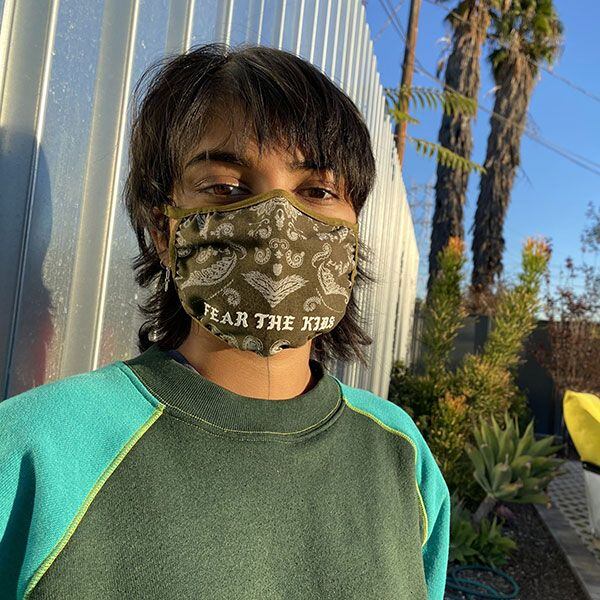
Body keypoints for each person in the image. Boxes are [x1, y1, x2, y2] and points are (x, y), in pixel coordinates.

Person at [0, 42, 450, 599]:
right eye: (225, 187)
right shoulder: (33, 451)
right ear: (163, 229)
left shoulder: (402, 456)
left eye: (317, 190)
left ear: (352, 233)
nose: (278, 222)